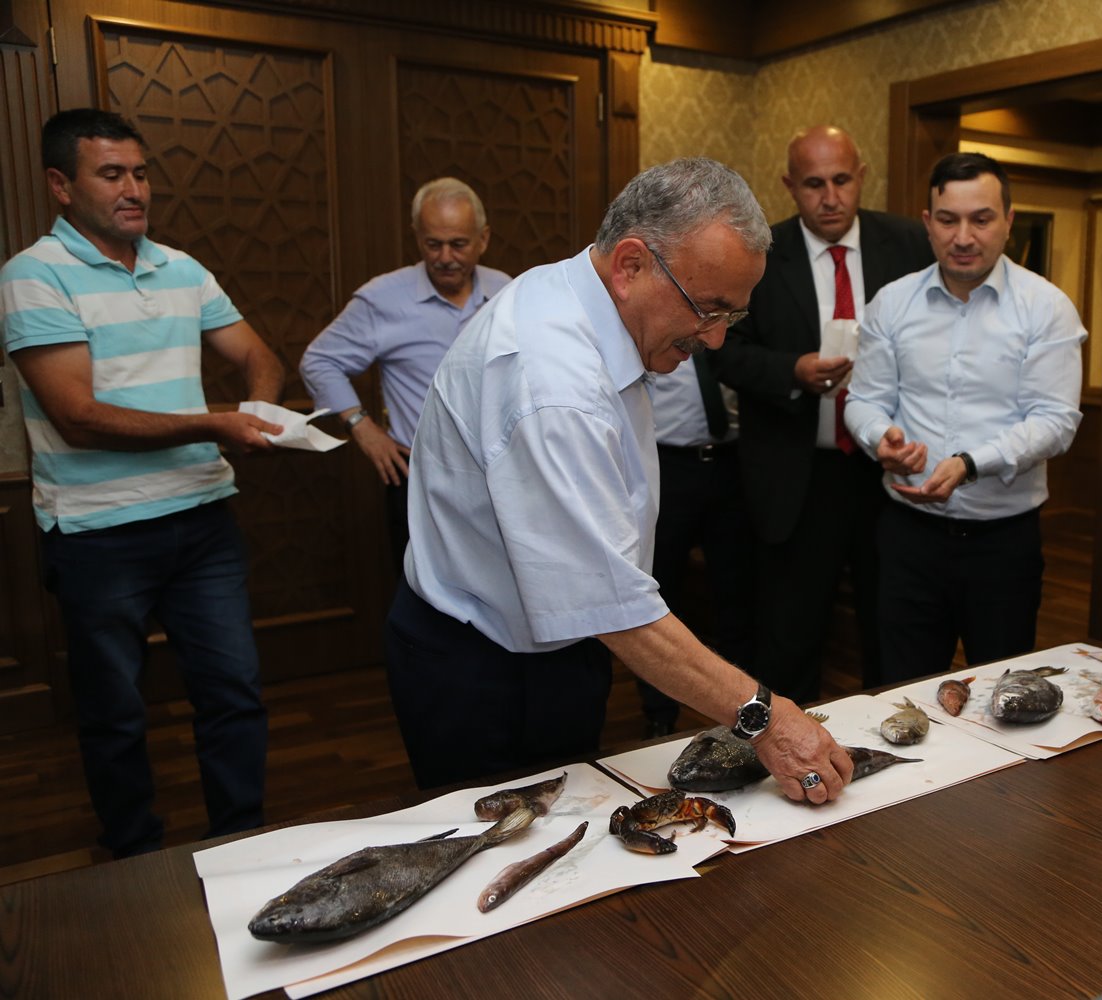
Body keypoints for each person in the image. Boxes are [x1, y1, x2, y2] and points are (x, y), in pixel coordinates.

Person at [385, 157, 852, 803]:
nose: (716, 340)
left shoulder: (583, 289)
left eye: (734, 317)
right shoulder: (551, 382)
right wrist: (764, 718)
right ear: (631, 265)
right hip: (480, 665)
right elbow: (612, 604)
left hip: (562, 645)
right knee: (496, 861)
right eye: (708, 308)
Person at [0, 108, 286, 858]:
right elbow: (77, 418)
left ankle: (239, 846)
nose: (135, 189)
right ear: (61, 185)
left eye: (141, 172)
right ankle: (132, 855)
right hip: (99, 533)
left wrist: (255, 404)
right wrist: (218, 424)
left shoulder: (181, 268)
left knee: (232, 693)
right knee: (114, 712)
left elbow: (257, 353)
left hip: (202, 520)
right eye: (111, 173)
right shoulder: (33, 275)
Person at [844, 152, 1084, 683]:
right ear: (928, 224)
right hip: (908, 537)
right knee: (899, 688)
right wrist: (881, 438)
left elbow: (1055, 420)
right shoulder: (893, 302)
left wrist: (970, 464)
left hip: (1003, 543)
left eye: (981, 218)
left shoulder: (1046, 308)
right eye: (948, 220)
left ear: (1008, 221)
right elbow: (863, 399)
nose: (964, 236)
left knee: (1003, 697)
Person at [713, 125, 932, 704]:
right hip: (796, 475)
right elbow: (724, 350)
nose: (830, 197)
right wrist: (793, 371)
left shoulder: (909, 244)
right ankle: (792, 754)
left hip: (886, 471)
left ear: (862, 177)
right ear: (789, 186)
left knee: (893, 626)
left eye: (841, 181)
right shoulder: (759, 253)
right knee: (790, 634)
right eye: (813, 184)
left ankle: (903, 747)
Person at [300, 177, 510, 566]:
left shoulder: (508, 292)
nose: (445, 256)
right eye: (433, 244)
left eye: (459, 244)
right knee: (427, 606)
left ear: (483, 239)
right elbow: (319, 360)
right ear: (417, 237)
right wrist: (361, 426)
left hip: (501, 481)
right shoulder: (383, 298)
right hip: (421, 482)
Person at [636, 356, 755, 738]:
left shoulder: (725, 333)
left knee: (737, 595)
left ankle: (744, 713)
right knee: (661, 591)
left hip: (731, 463)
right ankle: (659, 717)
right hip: (669, 464)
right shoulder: (662, 338)